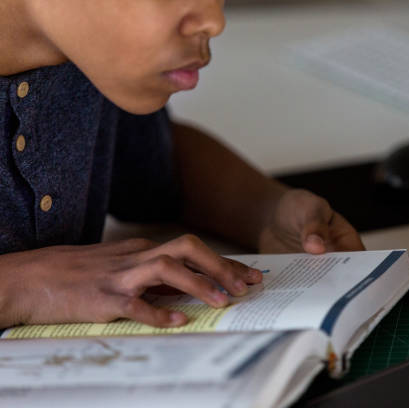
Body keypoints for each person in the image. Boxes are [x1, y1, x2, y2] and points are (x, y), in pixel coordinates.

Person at [0, 0, 364, 330]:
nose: (215, 22)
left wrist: (265, 210)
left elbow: (150, 167)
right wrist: (19, 287)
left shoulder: (83, 55)